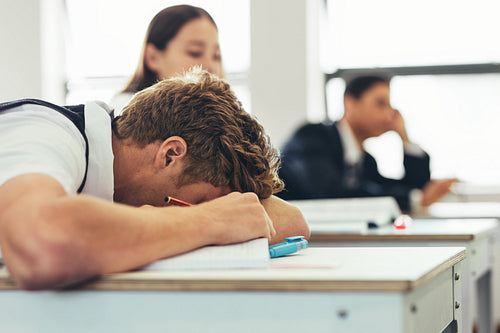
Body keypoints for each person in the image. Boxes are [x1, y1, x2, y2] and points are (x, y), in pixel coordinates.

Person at [0, 68, 309, 290]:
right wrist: (207, 222)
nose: (187, 211)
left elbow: (292, 222)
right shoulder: (42, 133)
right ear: (171, 154)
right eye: (194, 203)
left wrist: (218, 215)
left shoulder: (107, 161)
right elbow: (42, 245)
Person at [277, 75, 456, 211]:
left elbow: (404, 188)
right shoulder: (312, 137)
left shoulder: (364, 159)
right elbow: (331, 194)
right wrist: (413, 199)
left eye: (390, 106)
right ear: (350, 103)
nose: (389, 115)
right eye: (380, 104)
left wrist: (404, 138)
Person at [110, 5, 223, 114]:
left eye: (216, 56)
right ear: (152, 57)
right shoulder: (124, 112)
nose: (212, 67)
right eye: (195, 53)